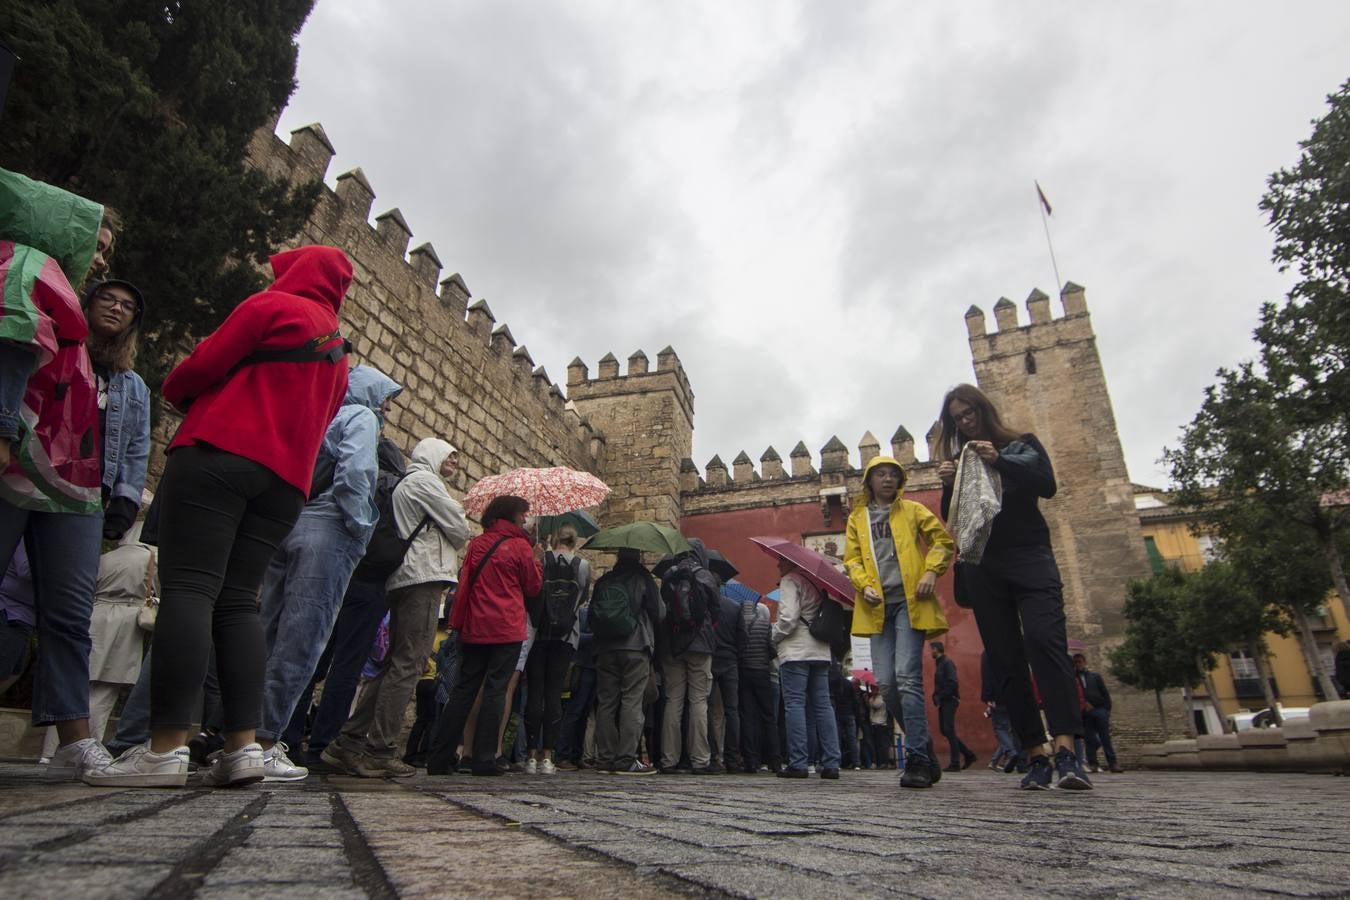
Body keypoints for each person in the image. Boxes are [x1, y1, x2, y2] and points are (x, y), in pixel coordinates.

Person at [87, 245, 353, 788]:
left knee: (189, 591)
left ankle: (162, 750)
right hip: (284, 486)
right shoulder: (339, 354)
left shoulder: (270, 307)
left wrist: (184, 391)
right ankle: (242, 748)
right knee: (238, 604)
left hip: (219, 455)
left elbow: (195, 371)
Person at [0, 168, 117, 781]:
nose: (99, 259)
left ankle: (75, 740)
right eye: (96, 243)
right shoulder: (24, 264)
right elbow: (12, 344)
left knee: (70, 612)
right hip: (14, 461)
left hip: (70, 484)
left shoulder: (58, 284)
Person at [936, 383, 1091, 791]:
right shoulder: (961, 460)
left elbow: (1047, 483)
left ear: (983, 410)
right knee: (1006, 660)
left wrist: (1001, 459)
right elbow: (957, 519)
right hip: (983, 566)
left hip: (1029, 557)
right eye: (957, 418)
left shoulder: (1021, 444)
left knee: (1045, 642)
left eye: (969, 413)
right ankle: (1035, 755)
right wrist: (949, 483)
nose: (965, 421)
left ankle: (1068, 751)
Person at [255, 365, 400, 781]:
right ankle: (265, 742)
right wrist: (360, 525)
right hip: (328, 526)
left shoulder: (323, 413)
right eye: (386, 397)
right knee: (304, 636)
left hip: (289, 523)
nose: (387, 407)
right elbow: (355, 475)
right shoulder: (362, 417)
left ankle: (240, 737)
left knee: (267, 632)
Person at [325, 438, 469, 777]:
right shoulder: (424, 481)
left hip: (407, 578)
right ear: (432, 455)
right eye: (451, 456)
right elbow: (460, 528)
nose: (455, 462)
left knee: (396, 664)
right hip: (421, 578)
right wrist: (455, 525)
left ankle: (347, 743)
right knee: (410, 663)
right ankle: (380, 750)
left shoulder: (413, 482)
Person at [844, 455, 955, 789]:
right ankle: (926, 748)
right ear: (869, 480)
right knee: (887, 684)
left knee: (907, 678)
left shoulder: (914, 511)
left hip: (910, 604)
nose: (888, 479)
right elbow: (851, 560)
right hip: (877, 608)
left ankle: (918, 758)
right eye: (881, 474)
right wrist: (864, 584)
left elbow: (942, 542)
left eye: (893, 474)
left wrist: (931, 571)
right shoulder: (857, 519)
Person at [306, 437, 409, 757]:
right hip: (369, 583)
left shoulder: (352, 476)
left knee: (314, 657)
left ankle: (286, 734)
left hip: (334, 571)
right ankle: (324, 742)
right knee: (348, 665)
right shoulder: (398, 490)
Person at [425, 494, 540, 776]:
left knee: (464, 689)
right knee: (496, 690)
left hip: (475, 627)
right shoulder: (520, 547)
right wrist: (535, 558)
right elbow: (533, 587)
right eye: (523, 513)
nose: (526, 518)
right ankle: (485, 758)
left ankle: (440, 758)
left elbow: (465, 584)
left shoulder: (478, 543)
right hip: (506, 628)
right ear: (512, 514)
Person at [591, 547, 663, 775]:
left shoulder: (604, 580)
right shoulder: (643, 578)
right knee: (632, 701)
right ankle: (625, 760)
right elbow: (660, 612)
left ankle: (605, 758)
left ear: (618, 557)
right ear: (639, 557)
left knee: (606, 702)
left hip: (605, 648)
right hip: (635, 645)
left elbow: (594, 613)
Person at [523, 526, 589, 775]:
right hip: (565, 636)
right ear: (575, 541)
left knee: (534, 692)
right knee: (553, 694)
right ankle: (548, 757)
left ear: (553, 539)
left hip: (538, 633)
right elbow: (581, 599)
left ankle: (530, 756)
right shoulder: (582, 566)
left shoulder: (541, 560)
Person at [771, 558, 842, 780]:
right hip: (820, 650)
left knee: (794, 705)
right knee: (823, 705)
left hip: (796, 651)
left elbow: (789, 618)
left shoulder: (790, 580)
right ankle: (832, 763)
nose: (778, 566)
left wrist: (773, 636)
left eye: (780, 561)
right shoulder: (816, 582)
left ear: (789, 563)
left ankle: (798, 763)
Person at [656, 539, 719, 774]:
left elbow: (663, 610)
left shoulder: (669, 575)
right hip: (700, 645)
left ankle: (669, 759)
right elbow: (716, 611)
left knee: (673, 701)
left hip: (673, 646)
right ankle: (700, 759)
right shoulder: (705, 575)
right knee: (699, 701)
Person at [708, 583, 745, 775]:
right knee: (732, 711)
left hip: (711, 659)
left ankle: (714, 756)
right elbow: (742, 637)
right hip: (730, 661)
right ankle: (732, 758)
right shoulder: (734, 606)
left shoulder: (707, 605)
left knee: (707, 708)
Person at [738, 600, 779, 773]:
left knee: (747, 717)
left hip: (743, 672)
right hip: (762, 672)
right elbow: (772, 649)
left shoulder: (738, 621)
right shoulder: (764, 623)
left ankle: (750, 761)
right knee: (768, 717)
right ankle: (775, 760)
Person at [1074, 653, 1122, 774]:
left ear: (1084, 662)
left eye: (1080, 662)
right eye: (1075, 662)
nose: (1078, 664)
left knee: (1105, 737)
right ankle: (1093, 763)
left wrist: (1106, 710)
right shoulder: (1073, 678)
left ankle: (1113, 763)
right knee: (1089, 739)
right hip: (1085, 712)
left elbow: (1104, 693)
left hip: (1099, 709)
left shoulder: (1095, 676)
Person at [931, 641, 976, 772]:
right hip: (943, 700)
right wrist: (935, 696)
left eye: (931, 649)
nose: (930, 653)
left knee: (948, 729)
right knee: (945, 730)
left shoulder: (947, 663)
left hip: (950, 700)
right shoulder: (939, 663)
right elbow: (939, 684)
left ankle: (955, 763)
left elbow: (952, 682)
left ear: (936, 649)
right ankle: (968, 755)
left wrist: (941, 696)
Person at [980, 649, 1021, 771]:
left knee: (1000, 728)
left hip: (997, 696)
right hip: (1013, 694)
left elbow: (986, 674)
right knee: (1009, 729)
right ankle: (1001, 758)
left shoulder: (988, 653)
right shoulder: (1009, 651)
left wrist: (988, 696)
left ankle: (1011, 751)